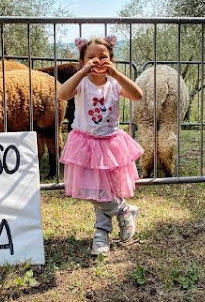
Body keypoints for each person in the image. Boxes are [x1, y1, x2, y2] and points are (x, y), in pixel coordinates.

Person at [58, 35, 144, 256]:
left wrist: (116, 73)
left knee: (103, 190)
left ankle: (101, 235)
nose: (97, 61)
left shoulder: (115, 84)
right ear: (82, 60)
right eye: (91, 57)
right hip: (85, 143)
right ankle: (124, 210)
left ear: (111, 59)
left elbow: (137, 95)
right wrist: (82, 72)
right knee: (92, 191)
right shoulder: (82, 83)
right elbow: (62, 94)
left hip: (109, 144)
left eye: (103, 57)